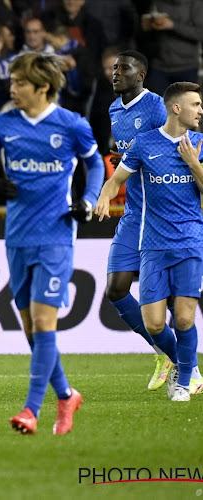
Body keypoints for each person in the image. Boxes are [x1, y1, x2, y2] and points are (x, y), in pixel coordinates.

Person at [0, 53, 104, 434]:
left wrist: (90, 198)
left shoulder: (72, 125)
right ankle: (66, 395)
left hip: (56, 235)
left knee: (45, 321)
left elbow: (95, 165)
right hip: (17, 236)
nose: (12, 90)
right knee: (32, 330)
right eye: (11, 83)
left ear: (43, 87)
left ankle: (31, 410)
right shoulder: (3, 123)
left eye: (19, 84)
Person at [96, 81, 203, 402]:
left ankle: (185, 380)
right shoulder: (144, 144)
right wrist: (103, 196)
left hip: (189, 241)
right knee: (155, 324)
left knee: (184, 317)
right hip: (153, 244)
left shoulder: (199, 143)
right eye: (195, 104)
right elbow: (116, 179)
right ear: (176, 108)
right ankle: (182, 365)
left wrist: (193, 163)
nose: (201, 110)